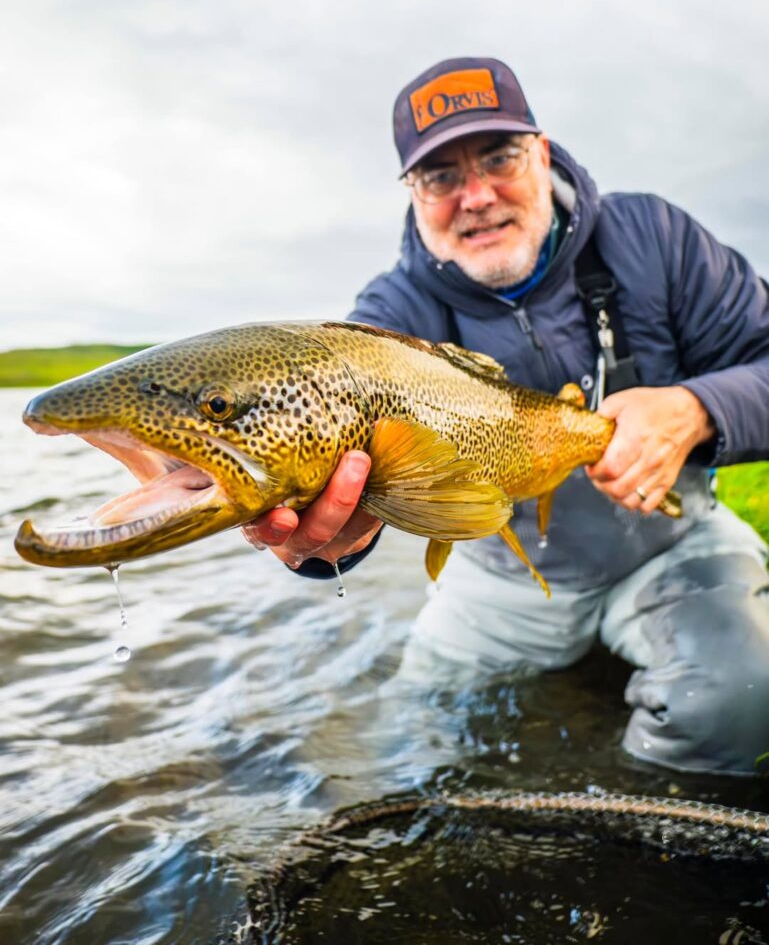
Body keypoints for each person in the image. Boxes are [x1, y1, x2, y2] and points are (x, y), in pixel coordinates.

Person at [243, 57, 769, 776]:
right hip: (498, 582)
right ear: (413, 193)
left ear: (542, 154)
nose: (476, 195)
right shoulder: (389, 319)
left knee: (743, 696)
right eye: (440, 177)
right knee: (412, 743)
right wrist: (329, 541)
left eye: (498, 157)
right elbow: (337, 485)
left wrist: (697, 408)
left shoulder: (655, 239)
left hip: (676, 549)